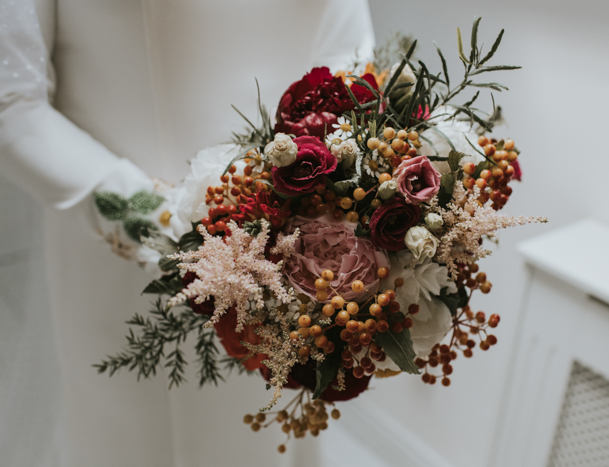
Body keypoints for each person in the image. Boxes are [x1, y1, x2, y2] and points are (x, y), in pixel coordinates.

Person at [0, 1, 374, 465]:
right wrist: (176, 231)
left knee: (277, 442)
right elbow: (12, 101)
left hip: (307, 255)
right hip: (137, 270)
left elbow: (349, 48)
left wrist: (355, 184)